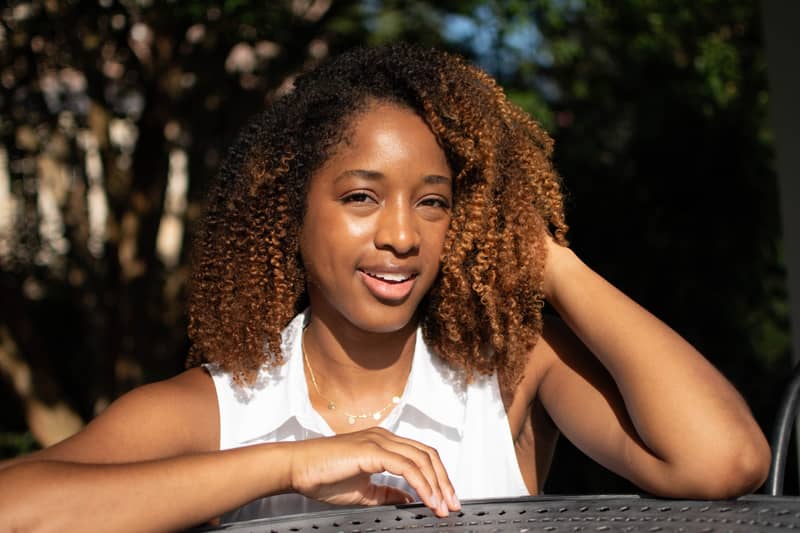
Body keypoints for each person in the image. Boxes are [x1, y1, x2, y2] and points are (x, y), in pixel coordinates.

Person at [0, 43, 770, 532]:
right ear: (290, 214)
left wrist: (544, 255)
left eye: (432, 201)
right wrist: (292, 464)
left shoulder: (506, 367)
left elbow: (725, 460)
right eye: (361, 197)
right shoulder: (224, 406)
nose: (403, 234)